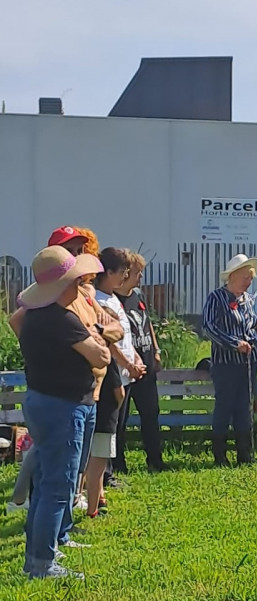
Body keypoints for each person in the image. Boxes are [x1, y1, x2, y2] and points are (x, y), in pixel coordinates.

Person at [7, 227, 123, 539]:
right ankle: (43, 553)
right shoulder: (49, 308)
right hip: (61, 397)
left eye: (79, 249)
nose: (78, 256)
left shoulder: (76, 298)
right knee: (54, 476)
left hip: (82, 394)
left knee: (66, 473)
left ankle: (56, 537)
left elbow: (113, 331)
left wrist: (95, 335)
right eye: (71, 250)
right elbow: (101, 355)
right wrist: (52, 353)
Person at [17, 246, 111, 579]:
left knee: (46, 483)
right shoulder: (63, 320)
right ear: (61, 286)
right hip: (64, 406)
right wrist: (98, 340)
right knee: (58, 487)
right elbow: (101, 358)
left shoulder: (34, 316)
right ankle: (42, 564)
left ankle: (37, 557)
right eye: (74, 281)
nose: (79, 287)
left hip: (46, 401)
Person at [85, 247, 142, 518]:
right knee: (103, 433)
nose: (126, 277)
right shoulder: (98, 299)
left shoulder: (111, 297)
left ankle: (99, 489)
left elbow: (123, 334)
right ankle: (95, 492)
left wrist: (135, 360)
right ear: (107, 272)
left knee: (111, 432)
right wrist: (128, 364)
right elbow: (109, 341)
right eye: (123, 272)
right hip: (109, 374)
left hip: (122, 372)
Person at [202, 254, 257, 466]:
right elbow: (209, 327)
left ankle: (245, 454)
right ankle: (220, 455)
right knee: (225, 406)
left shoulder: (247, 300)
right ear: (232, 276)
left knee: (245, 406)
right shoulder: (216, 298)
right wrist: (234, 343)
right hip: (225, 363)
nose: (249, 282)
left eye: (250, 278)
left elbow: (251, 325)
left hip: (248, 361)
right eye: (245, 277)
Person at [115, 250, 168, 472]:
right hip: (126, 369)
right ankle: (118, 464)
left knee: (151, 414)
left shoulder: (138, 296)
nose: (141, 277)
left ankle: (155, 460)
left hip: (146, 365)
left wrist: (155, 350)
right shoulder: (112, 299)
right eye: (137, 272)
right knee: (120, 419)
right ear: (125, 274)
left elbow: (147, 324)